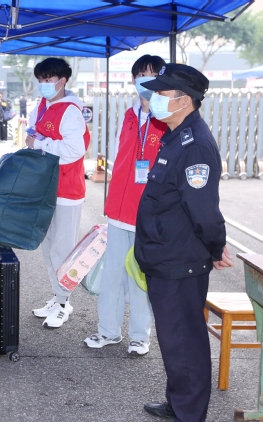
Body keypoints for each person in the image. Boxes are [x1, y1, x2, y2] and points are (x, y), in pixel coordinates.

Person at [135, 63, 233, 422]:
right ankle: (179, 402)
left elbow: (204, 210)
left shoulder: (196, 146)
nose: (154, 99)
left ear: (185, 101)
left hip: (179, 260)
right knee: (172, 338)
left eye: (162, 93)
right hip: (164, 255)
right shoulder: (175, 136)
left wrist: (216, 247)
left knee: (185, 342)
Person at [84, 55, 167, 356]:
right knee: (112, 276)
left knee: (140, 278)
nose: (145, 80)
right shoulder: (129, 115)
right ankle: (108, 331)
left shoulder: (166, 119)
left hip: (148, 213)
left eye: (152, 74)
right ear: (133, 80)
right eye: (141, 74)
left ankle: (139, 336)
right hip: (119, 211)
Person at [25, 58, 90, 329]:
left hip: (66, 190)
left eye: (48, 80)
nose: (43, 85)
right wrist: (34, 141)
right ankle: (58, 297)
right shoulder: (43, 105)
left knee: (62, 250)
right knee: (50, 248)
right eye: (40, 80)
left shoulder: (71, 111)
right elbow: (33, 133)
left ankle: (64, 303)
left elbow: (75, 150)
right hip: (46, 188)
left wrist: (41, 145)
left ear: (62, 81)